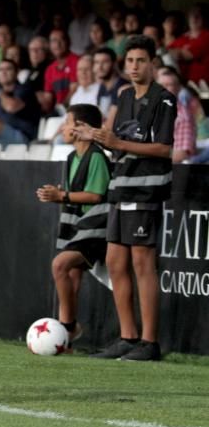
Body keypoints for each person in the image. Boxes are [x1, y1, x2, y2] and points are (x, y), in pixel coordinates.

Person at [75, 35, 175, 361]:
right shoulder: (124, 95)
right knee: (116, 262)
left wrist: (116, 143)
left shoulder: (165, 100)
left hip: (146, 189)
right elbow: (116, 141)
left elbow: (163, 148)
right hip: (121, 187)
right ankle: (128, 337)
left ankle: (150, 342)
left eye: (140, 60)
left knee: (142, 263)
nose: (134, 66)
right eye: (129, 61)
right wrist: (97, 137)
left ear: (152, 63)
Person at [36, 104, 110, 348]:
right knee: (72, 276)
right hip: (77, 228)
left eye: (67, 122)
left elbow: (95, 196)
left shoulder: (97, 156)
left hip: (96, 229)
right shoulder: (70, 158)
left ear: (80, 127)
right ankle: (65, 339)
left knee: (60, 265)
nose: (63, 128)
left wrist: (63, 196)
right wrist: (55, 194)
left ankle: (67, 327)